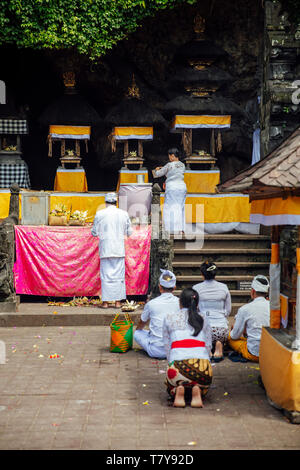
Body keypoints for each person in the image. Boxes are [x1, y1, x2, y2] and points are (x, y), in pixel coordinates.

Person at [163, 288, 213, 408]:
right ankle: (198, 390)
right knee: (203, 383)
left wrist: (171, 364)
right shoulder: (203, 318)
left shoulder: (169, 318)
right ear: (197, 303)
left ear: (180, 302)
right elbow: (208, 345)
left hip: (178, 368)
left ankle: (177, 390)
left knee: (170, 383)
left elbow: (167, 346)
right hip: (202, 369)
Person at [91, 192, 133, 309]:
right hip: (118, 248)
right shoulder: (123, 214)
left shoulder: (100, 214)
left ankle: (105, 302)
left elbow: (94, 232)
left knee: (106, 275)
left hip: (105, 249)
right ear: (116, 202)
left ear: (106, 202)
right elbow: (129, 232)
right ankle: (118, 302)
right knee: (119, 275)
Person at [134, 269, 180, 359]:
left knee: (137, 333)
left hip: (155, 351)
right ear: (174, 288)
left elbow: (141, 325)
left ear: (160, 287)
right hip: (175, 350)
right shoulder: (180, 302)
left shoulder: (151, 303)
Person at [193, 261, 231, 362]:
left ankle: (207, 347)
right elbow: (228, 310)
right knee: (221, 331)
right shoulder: (224, 287)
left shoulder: (196, 288)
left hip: (203, 330)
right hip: (221, 330)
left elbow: (194, 310)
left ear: (202, 274)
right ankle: (219, 343)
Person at [228, 275, 270, 363]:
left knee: (229, 337)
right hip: (271, 352)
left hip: (254, 354)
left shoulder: (245, 309)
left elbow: (234, 335)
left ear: (253, 291)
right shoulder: (274, 307)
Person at [152, 148, 187, 235]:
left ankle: (171, 229)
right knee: (180, 207)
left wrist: (156, 169)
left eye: (170, 156)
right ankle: (181, 228)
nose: (169, 158)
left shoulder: (169, 165)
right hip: (182, 187)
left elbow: (157, 174)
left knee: (170, 208)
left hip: (172, 188)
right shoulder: (183, 165)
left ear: (172, 156)